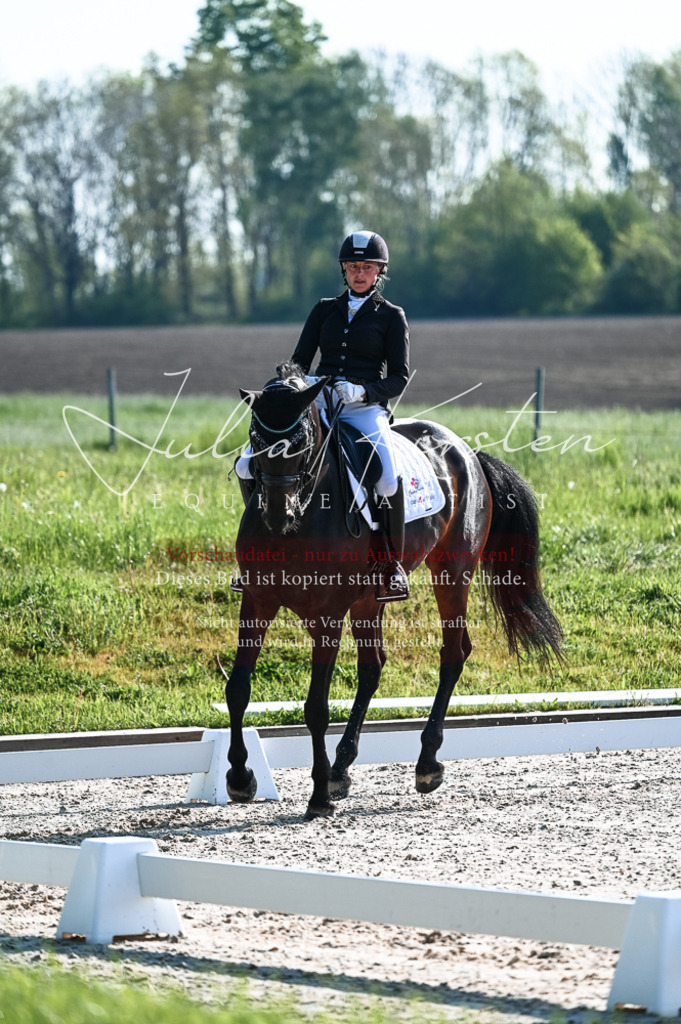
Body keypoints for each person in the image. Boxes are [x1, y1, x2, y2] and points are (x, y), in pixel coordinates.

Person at [236, 229, 410, 602]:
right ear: (343, 270)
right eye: (352, 266)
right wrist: (298, 382)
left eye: (366, 267)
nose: (358, 273)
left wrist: (363, 390)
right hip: (319, 402)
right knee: (246, 465)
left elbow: (399, 376)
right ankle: (257, 548)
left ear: (379, 272)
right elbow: (297, 360)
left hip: (363, 408)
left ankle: (390, 564)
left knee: (389, 479)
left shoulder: (391, 317)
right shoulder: (323, 309)